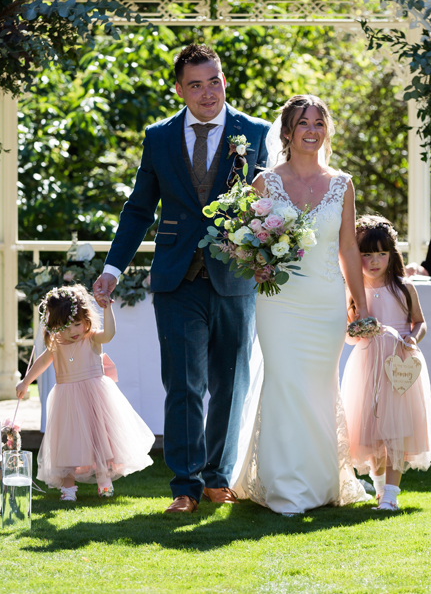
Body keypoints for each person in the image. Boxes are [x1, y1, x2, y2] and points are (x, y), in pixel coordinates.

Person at [93, 44, 269, 514]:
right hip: (176, 276)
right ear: (179, 90)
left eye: (214, 82)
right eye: (196, 85)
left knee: (230, 382)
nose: (208, 92)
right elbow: (139, 208)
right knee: (184, 384)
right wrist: (112, 269)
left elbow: (271, 201)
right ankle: (185, 486)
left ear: (224, 81)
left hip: (235, 274)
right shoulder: (159, 137)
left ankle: (218, 477)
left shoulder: (255, 132)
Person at [231, 94, 369, 515]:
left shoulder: (342, 184)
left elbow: (348, 248)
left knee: (318, 387)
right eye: (303, 123)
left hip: (326, 302)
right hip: (280, 302)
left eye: (319, 123)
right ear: (287, 132)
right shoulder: (264, 183)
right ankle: (286, 488)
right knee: (286, 383)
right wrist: (256, 263)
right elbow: (245, 243)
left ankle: (322, 483)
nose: (312, 130)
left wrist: (360, 305)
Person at [15, 286, 154, 500]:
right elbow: (42, 362)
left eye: (77, 324)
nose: (73, 331)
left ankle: (104, 481)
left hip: (94, 397)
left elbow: (109, 334)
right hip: (67, 400)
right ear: (54, 325)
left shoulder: (91, 338)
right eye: (65, 326)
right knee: (68, 443)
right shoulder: (56, 344)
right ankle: (68, 488)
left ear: (86, 319)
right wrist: (26, 382)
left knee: (99, 439)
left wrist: (107, 309)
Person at [341, 215, 431, 511]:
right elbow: (348, 334)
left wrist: (413, 338)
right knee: (371, 429)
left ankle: (392, 495)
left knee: (397, 430)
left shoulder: (403, 287)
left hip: (399, 364)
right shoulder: (353, 292)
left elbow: (420, 322)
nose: (375, 261)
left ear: (392, 254)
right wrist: (357, 331)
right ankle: (380, 486)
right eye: (367, 254)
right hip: (367, 365)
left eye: (381, 253)